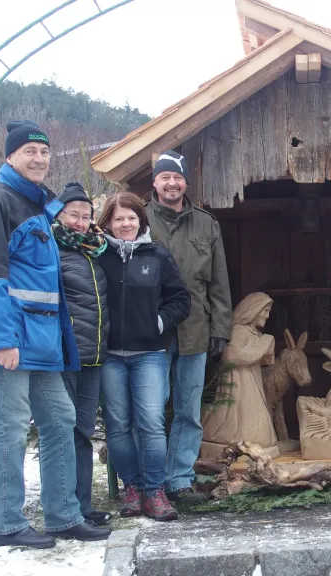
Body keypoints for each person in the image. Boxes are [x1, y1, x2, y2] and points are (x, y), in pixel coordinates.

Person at [0, 120, 111, 547]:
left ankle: (63, 515)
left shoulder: (36, 206)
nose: (39, 159)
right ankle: (6, 524)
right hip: (10, 342)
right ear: (10, 156)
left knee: (60, 419)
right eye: (29, 151)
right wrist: (2, 341)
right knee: (9, 427)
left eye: (44, 152)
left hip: (41, 342)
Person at [97, 191, 191, 521]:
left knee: (151, 422)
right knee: (119, 426)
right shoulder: (98, 256)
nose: (126, 224)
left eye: (132, 218)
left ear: (142, 221)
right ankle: (133, 489)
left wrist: (159, 322)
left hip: (149, 354)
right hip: (109, 356)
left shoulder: (157, 257)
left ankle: (155, 492)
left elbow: (180, 299)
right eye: (119, 218)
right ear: (108, 221)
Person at [144, 151, 232, 502]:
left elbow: (219, 281)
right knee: (151, 408)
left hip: (196, 329)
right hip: (152, 331)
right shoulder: (141, 218)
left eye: (177, 177)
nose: (172, 183)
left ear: (185, 183)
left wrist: (221, 328)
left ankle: (179, 480)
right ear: (155, 182)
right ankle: (148, 483)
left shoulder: (206, 223)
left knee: (188, 409)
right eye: (165, 177)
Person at [52, 182, 112, 527]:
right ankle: (63, 508)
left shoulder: (95, 251)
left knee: (82, 432)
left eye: (85, 215)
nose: (79, 221)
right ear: (58, 215)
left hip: (94, 356)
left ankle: (82, 507)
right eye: (72, 214)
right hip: (63, 355)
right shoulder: (50, 248)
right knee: (61, 431)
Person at [202, 292, 277, 449]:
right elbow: (233, 356)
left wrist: (266, 348)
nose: (267, 315)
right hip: (239, 387)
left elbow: (266, 360)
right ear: (253, 310)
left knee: (261, 434)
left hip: (252, 384)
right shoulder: (237, 331)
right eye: (265, 310)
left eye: (268, 311)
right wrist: (263, 345)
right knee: (253, 433)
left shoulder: (255, 334)